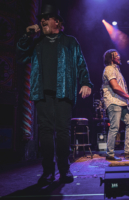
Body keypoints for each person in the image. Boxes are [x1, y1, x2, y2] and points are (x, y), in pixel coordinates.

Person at [16, 5, 93, 185]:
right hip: (42, 92)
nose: (42, 20)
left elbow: (81, 63)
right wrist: (28, 36)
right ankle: (48, 171)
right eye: (41, 18)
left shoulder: (70, 42)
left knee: (63, 132)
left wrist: (85, 82)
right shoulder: (36, 42)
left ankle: (64, 169)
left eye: (47, 17)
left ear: (57, 21)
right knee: (45, 132)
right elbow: (20, 55)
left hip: (64, 92)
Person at [102, 49, 129, 161]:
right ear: (111, 58)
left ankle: (128, 150)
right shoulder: (109, 69)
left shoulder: (117, 70)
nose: (119, 57)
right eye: (116, 55)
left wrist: (126, 100)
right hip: (113, 101)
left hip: (121, 102)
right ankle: (110, 154)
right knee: (114, 127)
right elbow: (115, 88)